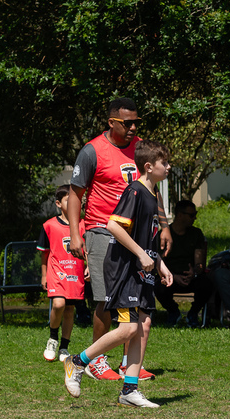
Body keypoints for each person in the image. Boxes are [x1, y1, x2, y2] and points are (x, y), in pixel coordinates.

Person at [66, 98, 171, 382]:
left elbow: (152, 188)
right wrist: (76, 233)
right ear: (111, 122)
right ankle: (95, 361)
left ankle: (128, 364)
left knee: (134, 298)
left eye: (137, 122)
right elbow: (76, 194)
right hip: (103, 230)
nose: (133, 128)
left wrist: (163, 225)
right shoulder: (92, 151)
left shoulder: (140, 149)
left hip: (135, 235)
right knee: (105, 298)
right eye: (127, 123)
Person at [37, 184, 86, 361]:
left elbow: (87, 249)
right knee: (58, 304)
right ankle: (52, 339)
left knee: (70, 310)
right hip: (56, 272)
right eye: (69, 200)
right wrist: (44, 275)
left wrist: (87, 266)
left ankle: (64, 347)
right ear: (58, 203)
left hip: (75, 272)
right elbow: (44, 253)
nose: (75, 203)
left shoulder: (83, 225)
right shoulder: (49, 225)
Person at [153, 199, 212, 327]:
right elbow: (157, 262)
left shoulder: (196, 234)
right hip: (169, 277)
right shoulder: (163, 235)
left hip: (190, 277)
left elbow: (199, 262)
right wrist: (172, 276)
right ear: (180, 215)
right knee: (158, 286)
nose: (195, 218)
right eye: (191, 215)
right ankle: (173, 312)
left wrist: (195, 272)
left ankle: (193, 313)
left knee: (207, 284)